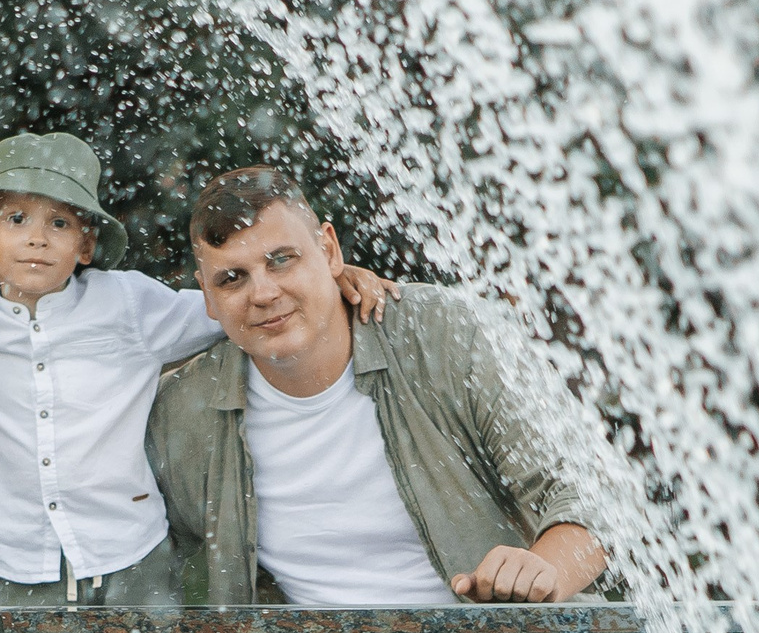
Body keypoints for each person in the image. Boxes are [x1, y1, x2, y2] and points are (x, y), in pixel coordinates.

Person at [0, 134, 394, 604]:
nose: (37, 237)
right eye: (17, 218)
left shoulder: (130, 304)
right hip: (2, 560)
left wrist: (335, 278)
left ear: (86, 244)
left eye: (60, 223)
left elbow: (238, 308)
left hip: (128, 550)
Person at [146, 167, 607, 606]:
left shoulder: (441, 335)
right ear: (206, 295)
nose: (263, 294)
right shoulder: (182, 413)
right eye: (232, 278)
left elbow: (594, 499)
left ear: (329, 250)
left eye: (281, 260)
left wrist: (541, 573)